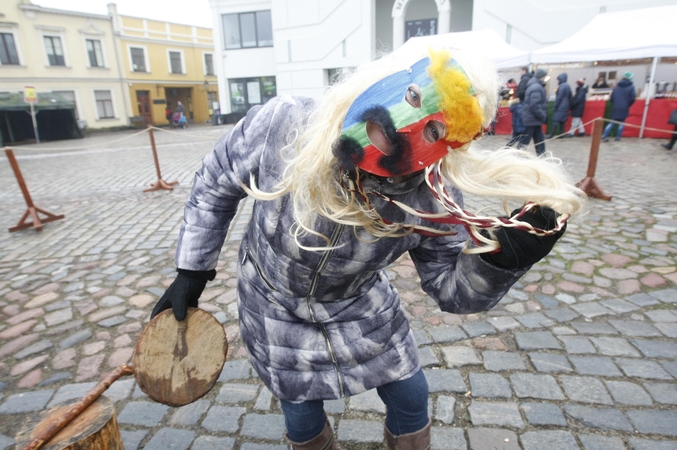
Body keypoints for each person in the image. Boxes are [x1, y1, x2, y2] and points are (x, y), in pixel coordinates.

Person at [150, 47, 585, 450]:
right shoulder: (285, 123)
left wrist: (499, 260)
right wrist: (193, 269)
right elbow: (215, 182)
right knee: (301, 414)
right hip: (273, 304)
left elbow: (449, 288)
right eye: (414, 96)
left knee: (411, 394)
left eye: (435, 129)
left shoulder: (430, 196)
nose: (409, 127)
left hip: (356, 302)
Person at [519, 68, 549, 156]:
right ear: (542, 77)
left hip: (533, 119)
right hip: (532, 118)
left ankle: (542, 156)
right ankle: (517, 155)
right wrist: (543, 116)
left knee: (539, 139)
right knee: (525, 140)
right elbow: (534, 105)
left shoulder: (535, 86)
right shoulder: (536, 87)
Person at [602, 72, 636, 142]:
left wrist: (615, 103)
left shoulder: (617, 86)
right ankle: (618, 137)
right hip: (624, 107)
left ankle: (604, 135)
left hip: (616, 107)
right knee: (621, 123)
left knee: (612, 122)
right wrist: (628, 104)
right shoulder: (631, 87)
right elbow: (633, 98)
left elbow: (611, 98)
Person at [547, 73, 572, 138]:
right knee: (562, 121)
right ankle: (561, 134)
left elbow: (559, 97)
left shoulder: (562, 86)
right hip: (565, 105)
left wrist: (555, 105)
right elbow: (570, 96)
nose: (557, 81)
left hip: (561, 105)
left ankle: (551, 134)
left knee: (555, 119)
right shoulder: (567, 86)